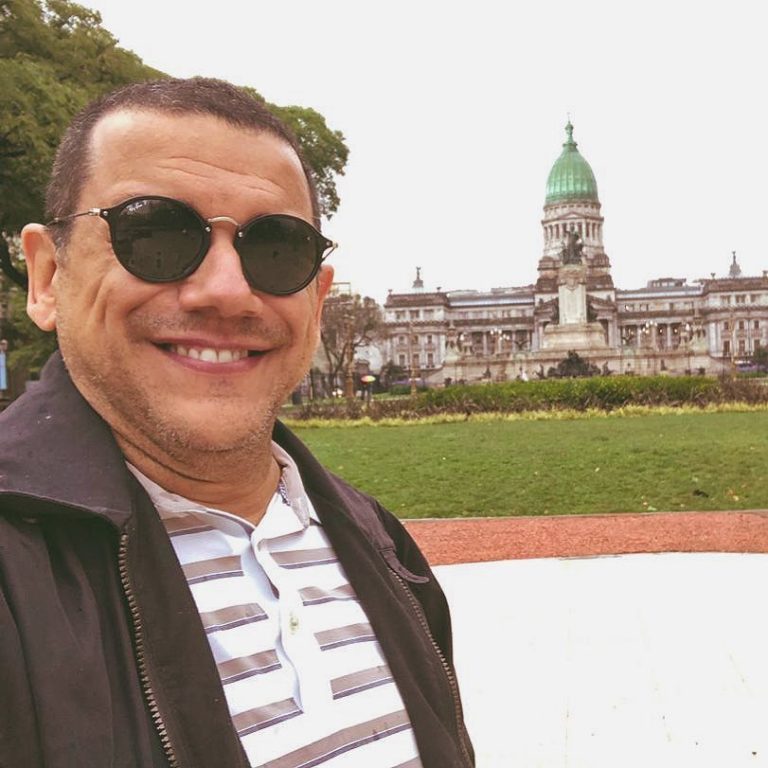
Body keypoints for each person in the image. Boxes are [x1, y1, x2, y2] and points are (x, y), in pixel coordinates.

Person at [0, 78, 474, 768]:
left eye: (277, 249)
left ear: (317, 301)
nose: (226, 290)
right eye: (155, 233)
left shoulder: (382, 543)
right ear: (47, 276)